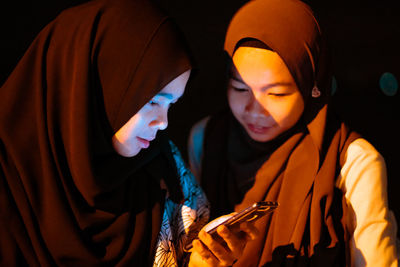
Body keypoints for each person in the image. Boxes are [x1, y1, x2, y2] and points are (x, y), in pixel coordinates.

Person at [0, 0, 257, 265]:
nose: (164, 122)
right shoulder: (10, 179)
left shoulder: (169, 179)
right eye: (154, 101)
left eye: (171, 104)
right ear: (96, 85)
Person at [188, 0, 399, 266]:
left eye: (276, 93)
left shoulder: (354, 162)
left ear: (312, 87)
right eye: (240, 89)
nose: (254, 110)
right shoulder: (206, 139)